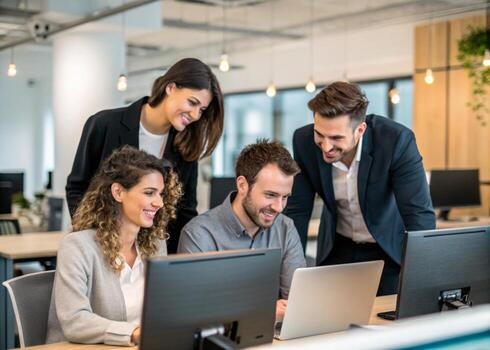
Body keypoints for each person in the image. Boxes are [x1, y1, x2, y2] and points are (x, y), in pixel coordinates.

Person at [284, 81, 435, 295]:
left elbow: (419, 216)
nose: (326, 147)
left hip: (388, 249)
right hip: (337, 248)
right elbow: (298, 211)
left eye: (336, 138)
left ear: (360, 130)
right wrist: (291, 278)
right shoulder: (303, 141)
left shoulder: (396, 141)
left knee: (385, 322)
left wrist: (422, 280)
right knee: (330, 321)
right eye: (320, 135)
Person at [66, 58, 224, 254]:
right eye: (192, 102)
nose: (195, 115)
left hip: (153, 255)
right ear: (171, 88)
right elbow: (77, 188)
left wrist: (176, 263)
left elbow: (185, 212)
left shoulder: (186, 147)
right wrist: (92, 241)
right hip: (100, 248)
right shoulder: (104, 124)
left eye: (201, 110)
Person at [47, 146, 182, 346]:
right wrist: (135, 333)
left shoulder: (154, 244)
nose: (159, 203)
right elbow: (75, 321)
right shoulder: (77, 247)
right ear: (118, 192)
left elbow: (162, 307)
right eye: (149, 193)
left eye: (160, 194)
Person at [178, 140, 306, 319]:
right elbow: (194, 310)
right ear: (242, 185)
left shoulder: (285, 227)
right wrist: (264, 310)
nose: (279, 207)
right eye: (270, 195)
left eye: (285, 197)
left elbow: (297, 300)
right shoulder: (198, 235)